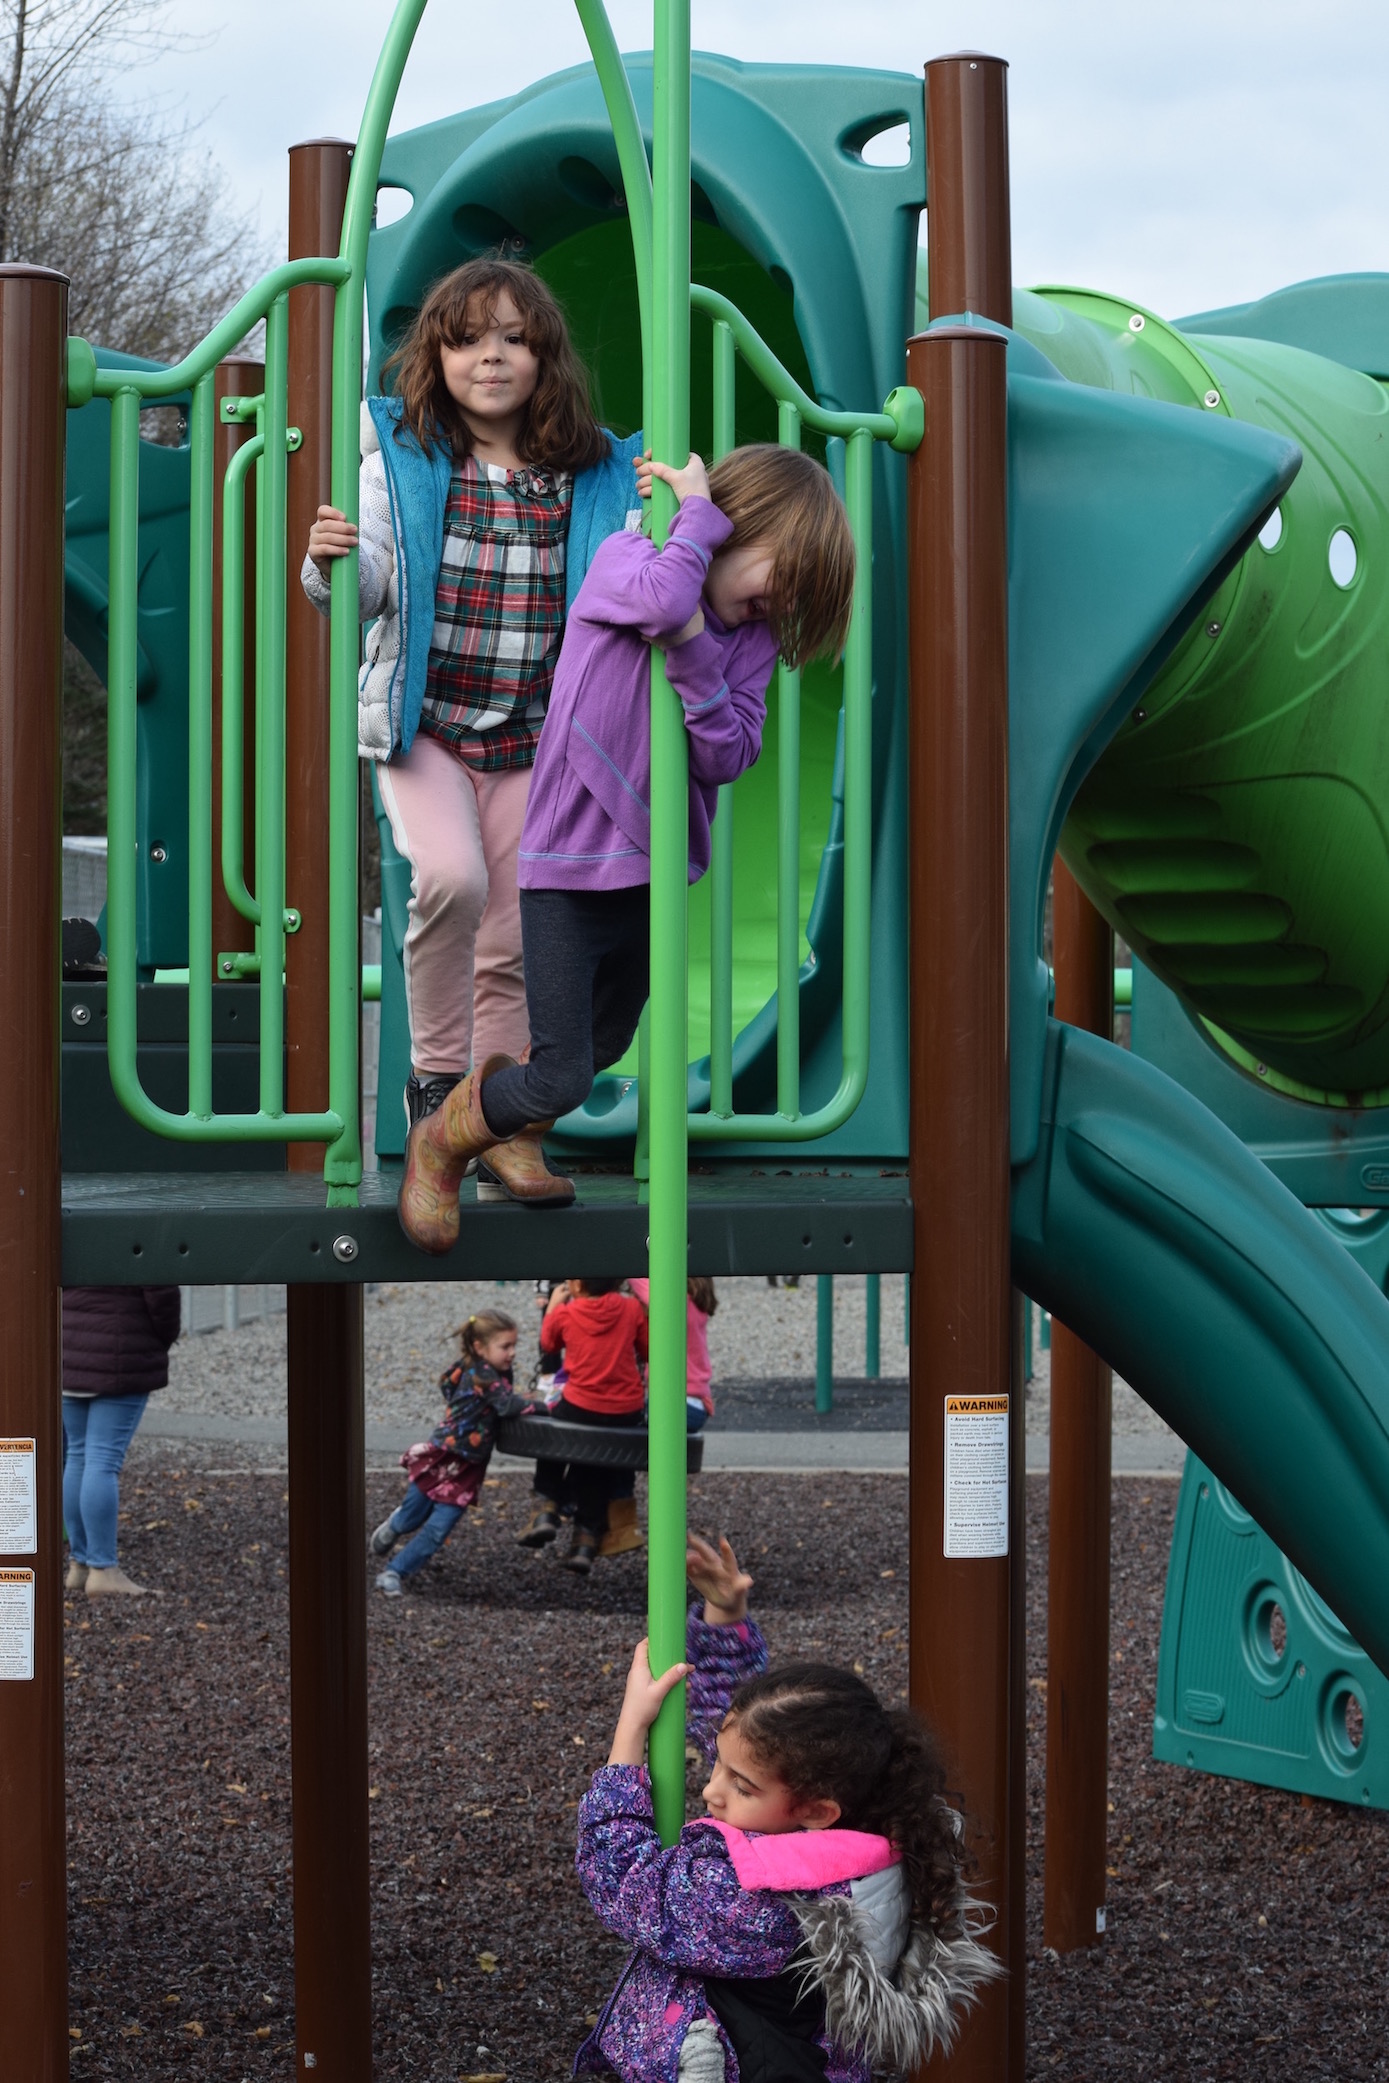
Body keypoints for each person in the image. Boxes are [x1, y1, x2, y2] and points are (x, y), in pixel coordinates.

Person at [398, 440, 857, 1250]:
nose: (775, 605)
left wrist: (691, 647)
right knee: (564, 1069)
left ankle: (511, 1135)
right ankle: (441, 1142)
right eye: (777, 575)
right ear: (728, 525)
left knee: (605, 1044)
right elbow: (658, 600)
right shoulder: (627, 558)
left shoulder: (745, 642)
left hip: (650, 873)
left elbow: (728, 750)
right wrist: (693, 526)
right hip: (567, 864)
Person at [302, 257, 643, 1213]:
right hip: (431, 729)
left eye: (512, 338)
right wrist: (332, 566)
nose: (490, 356)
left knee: (517, 930)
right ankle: (432, 1091)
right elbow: (373, 574)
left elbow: (634, 562)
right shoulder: (404, 456)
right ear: (437, 355)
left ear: (544, 356)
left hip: (538, 738)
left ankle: (494, 1120)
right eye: (467, 338)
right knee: (450, 880)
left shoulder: (591, 471)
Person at [574, 1534, 1001, 2081]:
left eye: (741, 1787)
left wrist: (630, 1729)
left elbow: (626, 1882)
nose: (712, 1790)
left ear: (817, 1811)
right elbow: (747, 1740)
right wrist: (726, 1616)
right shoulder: (864, 1837)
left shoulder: (763, 1900)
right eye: (717, 1768)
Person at [370, 1308, 525, 1598]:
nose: (512, 1353)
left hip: (468, 1467)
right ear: (480, 1347)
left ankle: (394, 1571)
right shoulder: (481, 1371)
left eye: (514, 1346)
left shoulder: (490, 1371)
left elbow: (448, 1383)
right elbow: (508, 1406)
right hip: (444, 1455)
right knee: (412, 1516)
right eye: (506, 1346)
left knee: (438, 1529)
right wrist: (548, 1406)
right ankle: (395, 1525)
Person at [516, 1278, 648, 1575]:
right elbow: (648, 1348)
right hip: (626, 1409)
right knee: (598, 1464)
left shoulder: (568, 1312)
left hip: (580, 1405)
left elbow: (549, 1344)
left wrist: (552, 1307)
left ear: (575, 1285)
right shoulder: (630, 1309)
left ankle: (545, 1507)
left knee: (552, 1434)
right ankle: (585, 1541)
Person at [61, 1286, 182, 1598]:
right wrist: (161, 1336)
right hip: (120, 1347)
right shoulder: (138, 1233)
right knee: (102, 1460)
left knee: (77, 1455)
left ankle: (80, 1565)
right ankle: (104, 1569)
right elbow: (161, 1289)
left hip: (69, 1347)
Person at [600, 1276, 717, 1560]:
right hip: (695, 1404)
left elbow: (645, 1285)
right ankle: (623, 1518)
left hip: (678, 1403)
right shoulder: (696, 1305)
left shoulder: (675, 1303)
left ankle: (619, 1519)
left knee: (616, 1424)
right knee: (626, 1430)